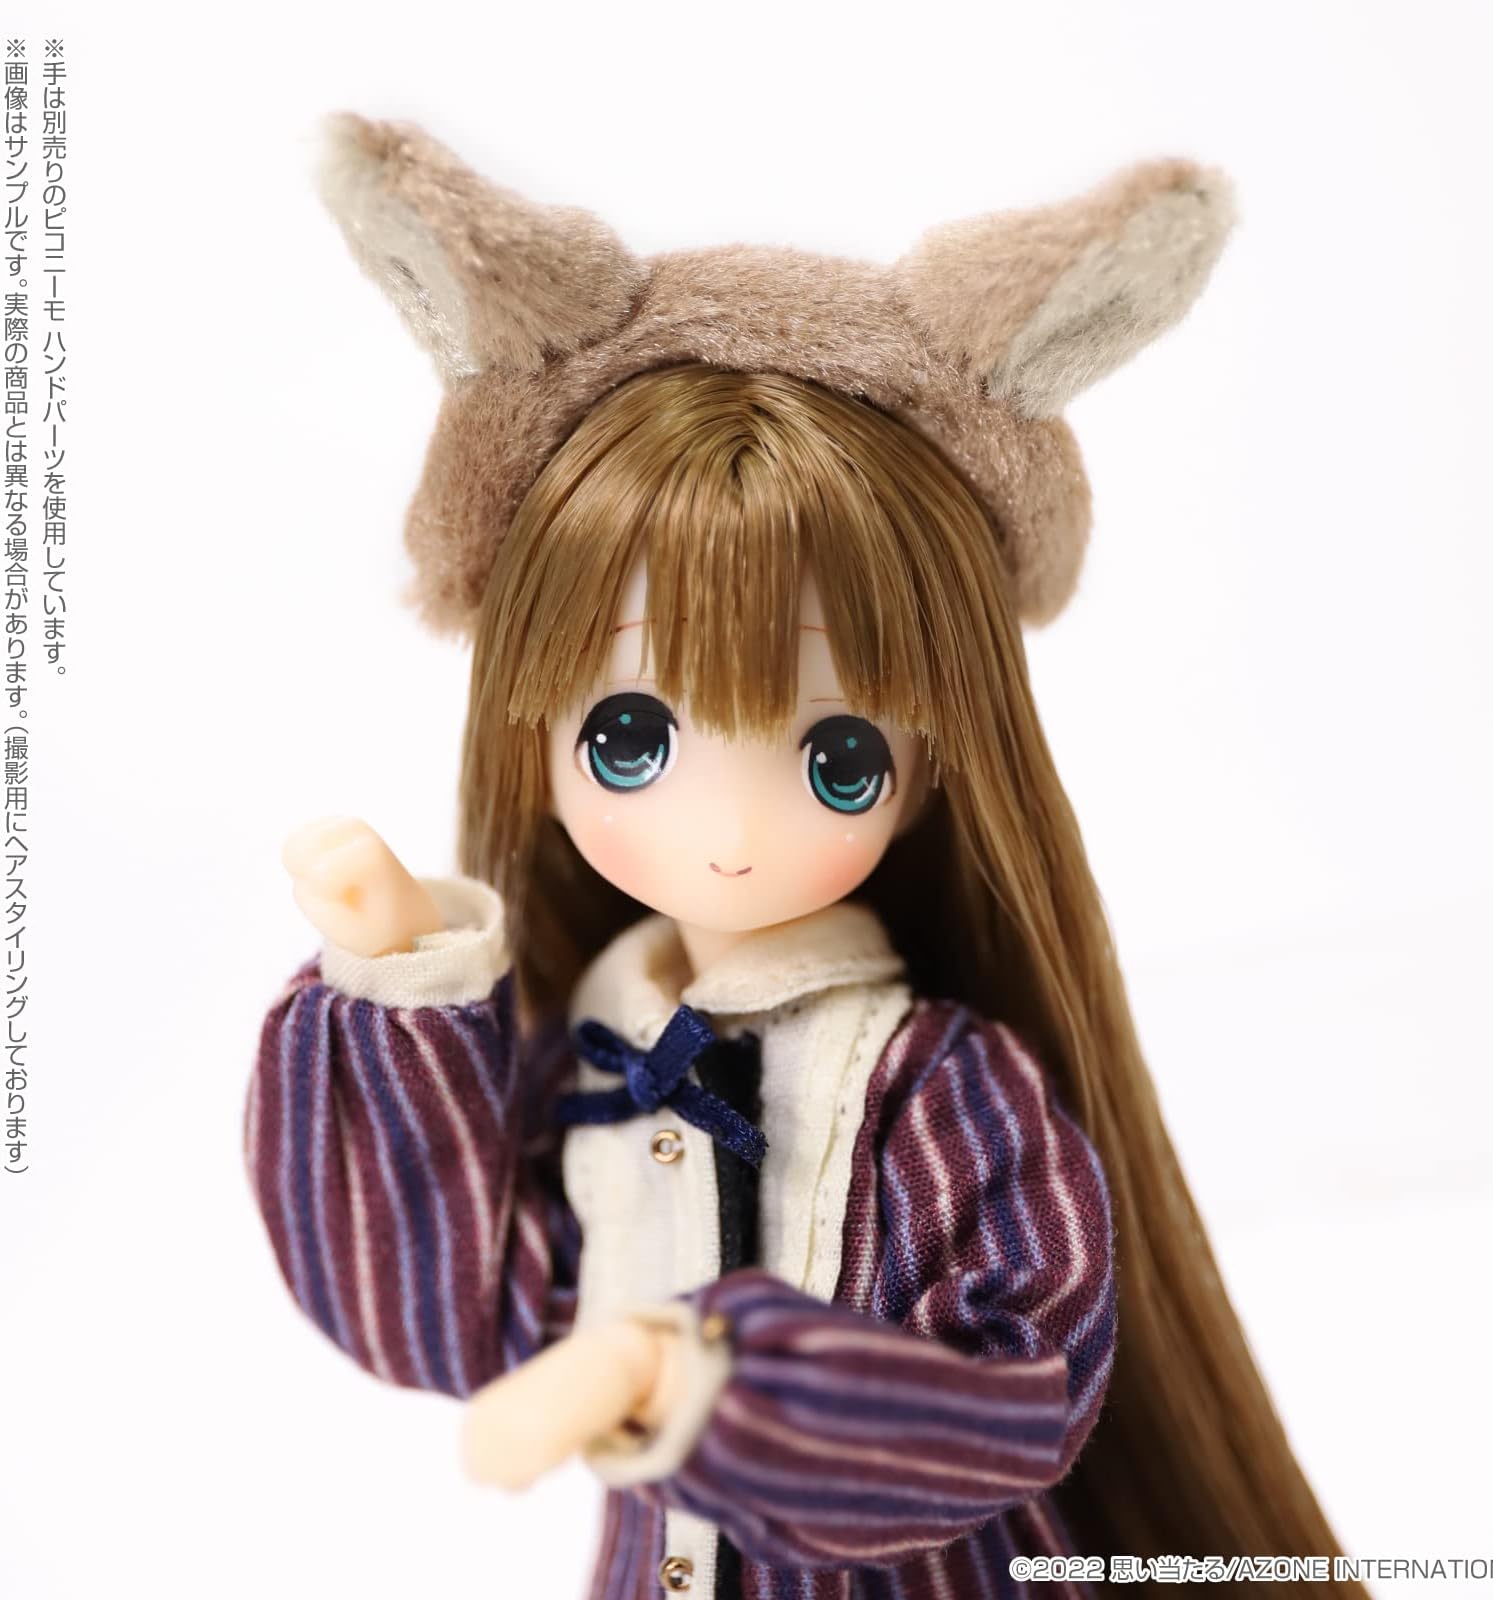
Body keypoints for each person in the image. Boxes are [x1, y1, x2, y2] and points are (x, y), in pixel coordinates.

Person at [245, 115, 1365, 1599]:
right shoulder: (600, 1049)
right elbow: (463, 1321)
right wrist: (401, 980)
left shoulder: (934, 1086)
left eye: (837, 759)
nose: (729, 835)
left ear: (939, 764)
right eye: (630, 738)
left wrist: (690, 1380)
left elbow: (1014, 1391)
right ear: (528, 716)